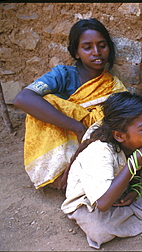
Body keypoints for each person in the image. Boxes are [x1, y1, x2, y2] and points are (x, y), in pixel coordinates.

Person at [13, 18, 128, 190]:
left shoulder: (114, 86)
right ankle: (59, 174)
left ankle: (85, 174)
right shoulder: (63, 75)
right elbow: (23, 98)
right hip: (68, 137)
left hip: (93, 142)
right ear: (76, 52)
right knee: (45, 102)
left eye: (102, 46)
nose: (96, 52)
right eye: (87, 47)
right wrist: (78, 127)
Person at [61, 92, 142, 249]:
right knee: (99, 230)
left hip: (113, 188)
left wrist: (134, 188)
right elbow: (103, 204)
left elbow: (137, 171)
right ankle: (136, 212)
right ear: (119, 135)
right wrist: (136, 161)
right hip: (90, 201)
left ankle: (131, 204)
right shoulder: (99, 152)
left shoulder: (133, 143)